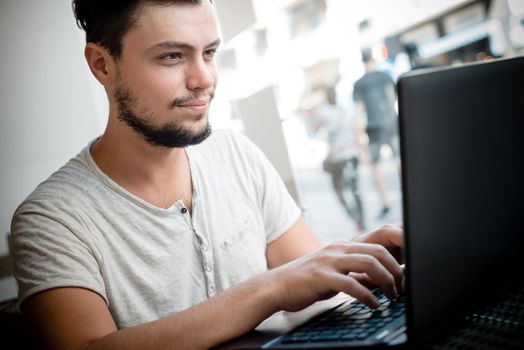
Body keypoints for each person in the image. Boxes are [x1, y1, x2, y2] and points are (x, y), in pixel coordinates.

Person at [10, 1, 405, 349]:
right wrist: (268, 289)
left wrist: (365, 263)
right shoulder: (51, 219)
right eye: (171, 57)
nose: (204, 79)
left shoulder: (237, 154)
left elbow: (310, 277)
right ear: (102, 64)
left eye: (210, 52)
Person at [304, 85, 365, 232]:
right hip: (352, 155)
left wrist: (313, 114)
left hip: (337, 158)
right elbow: (358, 131)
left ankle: (352, 215)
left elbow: (313, 130)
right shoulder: (348, 111)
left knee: (338, 190)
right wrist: (362, 152)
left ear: (326, 97)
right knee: (355, 189)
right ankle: (361, 220)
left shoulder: (324, 112)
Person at [353, 48, 400, 220]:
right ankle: (409, 195)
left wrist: (359, 138)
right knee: (399, 160)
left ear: (362, 61)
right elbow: (395, 98)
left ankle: (386, 203)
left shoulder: (359, 84)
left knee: (375, 167)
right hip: (392, 124)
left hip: (373, 129)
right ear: (373, 58)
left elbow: (359, 113)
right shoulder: (386, 76)